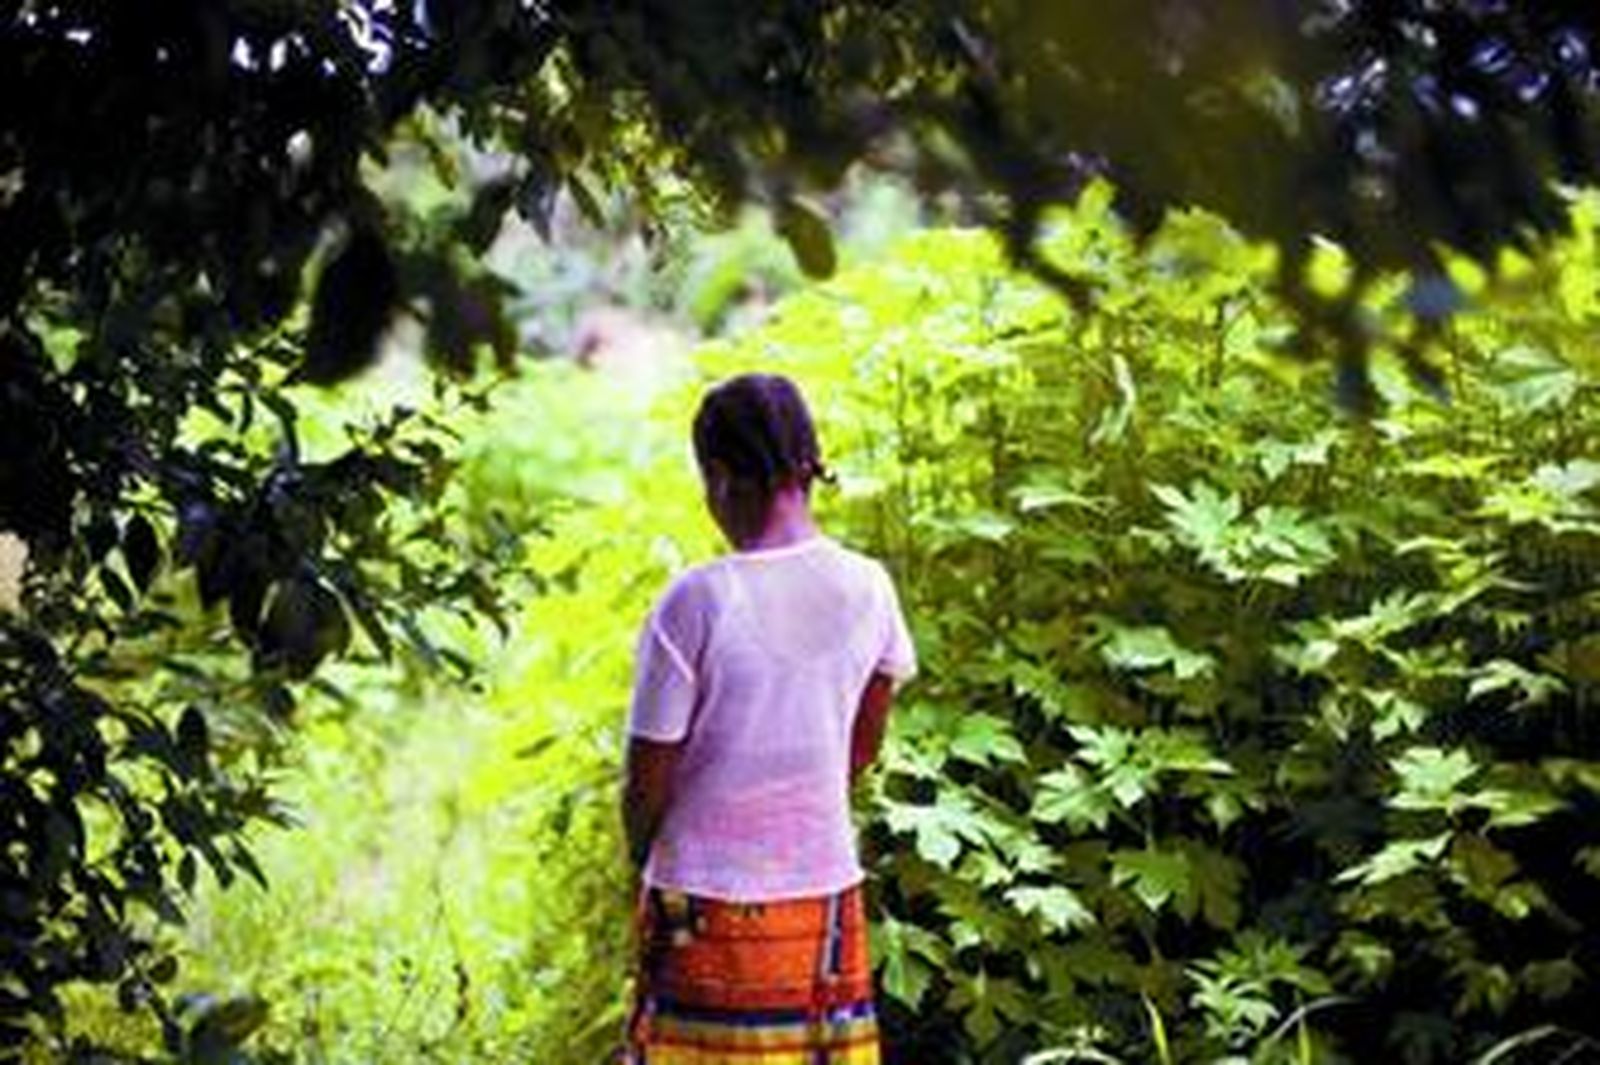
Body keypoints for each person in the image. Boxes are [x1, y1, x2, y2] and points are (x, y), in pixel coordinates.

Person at [622, 372, 916, 1064]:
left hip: (700, 897)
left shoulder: (694, 601)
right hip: (822, 896)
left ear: (721, 477)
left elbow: (647, 784)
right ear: (808, 466)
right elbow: (862, 745)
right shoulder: (869, 587)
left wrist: (639, 856)